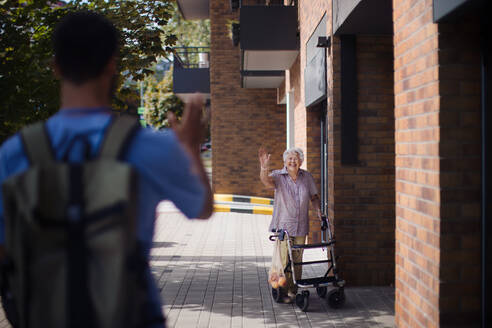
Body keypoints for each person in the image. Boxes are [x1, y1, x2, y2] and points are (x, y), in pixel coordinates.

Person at [0, 11, 213, 327]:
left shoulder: (15, 153)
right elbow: (202, 208)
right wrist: (191, 151)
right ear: (112, 65)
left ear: (56, 66)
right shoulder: (150, 147)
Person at [258, 146, 321, 303]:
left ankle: (294, 290)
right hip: (284, 226)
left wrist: (318, 211)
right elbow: (266, 182)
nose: (293, 161)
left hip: (301, 226)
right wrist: (264, 167)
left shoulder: (306, 177)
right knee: (284, 260)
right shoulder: (279, 176)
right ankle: (282, 290)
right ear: (285, 161)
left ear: (300, 161)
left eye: (296, 158)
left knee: (298, 260)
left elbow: (314, 197)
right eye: (290, 158)